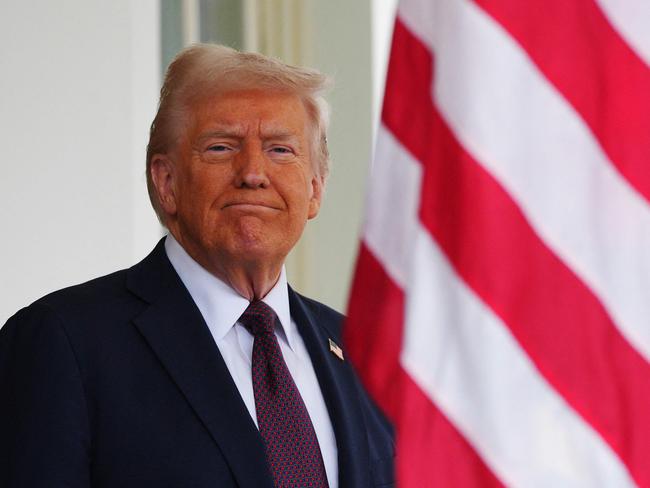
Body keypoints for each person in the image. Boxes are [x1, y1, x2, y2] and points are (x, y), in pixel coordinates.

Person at [0, 44, 394, 487]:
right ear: (166, 182)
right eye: (221, 147)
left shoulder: (361, 353)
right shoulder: (64, 342)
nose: (253, 173)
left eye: (281, 150)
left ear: (316, 189)